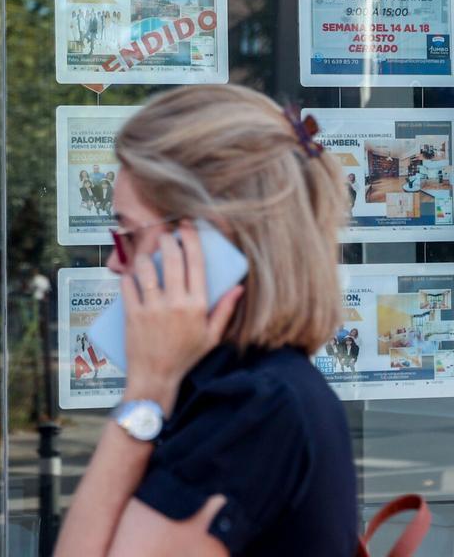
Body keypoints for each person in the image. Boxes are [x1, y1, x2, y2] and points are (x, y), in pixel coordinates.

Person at [55, 85, 358, 557]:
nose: (115, 264)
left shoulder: (255, 410)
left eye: (128, 235)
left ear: (202, 242)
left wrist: (146, 393)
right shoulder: (242, 390)